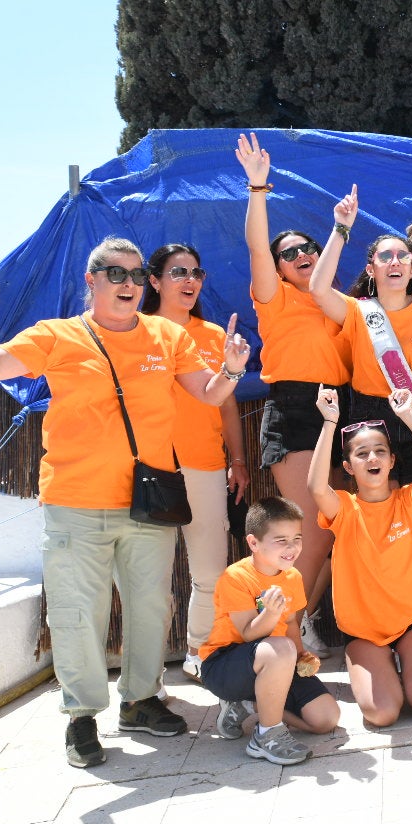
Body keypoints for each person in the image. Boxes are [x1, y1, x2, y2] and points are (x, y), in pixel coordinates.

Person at [0, 240, 250, 767]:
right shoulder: (58, 335)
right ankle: (81, 716)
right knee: (78, 615)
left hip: (147, 501)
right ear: (90, 280)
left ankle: (140, 701)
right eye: (113, 272)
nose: (127, 282)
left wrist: (230, 370)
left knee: (150, 606)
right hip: (76, 502)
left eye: (137, 274)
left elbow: (208, 395)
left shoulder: (166, 335)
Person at [309, 186, 412, 630]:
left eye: (402, 256)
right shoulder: (360, 312)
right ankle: (374, 615)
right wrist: (341, 228)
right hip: (369, 419)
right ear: (372, 269)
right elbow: (319, 288)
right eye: (385, 257)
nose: (395, 262)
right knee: (372, 522)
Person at [238, 133, 353, 658]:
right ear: (280, 267)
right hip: (295, 409)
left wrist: (340, 231)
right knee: (305, 532)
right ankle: (287, 626)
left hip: (343, 411)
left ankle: (298, 617)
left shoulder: (337, 303)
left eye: (308, 248)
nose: (302, 255)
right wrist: (258, 187)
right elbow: (257, 247)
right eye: (291, 253)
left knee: (336, 532)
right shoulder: (275, 298)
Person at [307, 380, 412, 728]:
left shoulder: (409, 500)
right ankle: (379, 665)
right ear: (349, 467)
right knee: (383, 714)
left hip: (410, 622)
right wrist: (329, 421)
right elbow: (316, 486)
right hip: (363, 631)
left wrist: (409, 417)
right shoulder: (343, 508)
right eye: (361, 453)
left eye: (379, 451)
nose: (371, 457)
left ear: (391, 460)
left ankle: (407, 661)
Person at [140, 242, 250, 682]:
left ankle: (198, 651)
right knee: (148, 579)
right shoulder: (135, 331)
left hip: (204, 466)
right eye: (178, 271)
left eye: (197, 273)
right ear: (154, 281)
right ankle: (145, 676)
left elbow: (226, 407)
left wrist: (237, 460)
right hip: (149, 470)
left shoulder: (214, 335)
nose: (190, 281)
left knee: (210, 571)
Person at [198, 497, 340, 765]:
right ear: (254, 543)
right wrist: (271, 614)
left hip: (276, 658)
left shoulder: (292, 577)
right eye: (281, 540)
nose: (292, 547)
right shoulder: (235, 577)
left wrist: (300, 658)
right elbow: (249, 634)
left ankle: (250, 706)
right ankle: (266, 735)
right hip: (225, 667)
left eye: (297, 538)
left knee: (326, 718)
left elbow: (291, 625)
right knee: (279, 647)